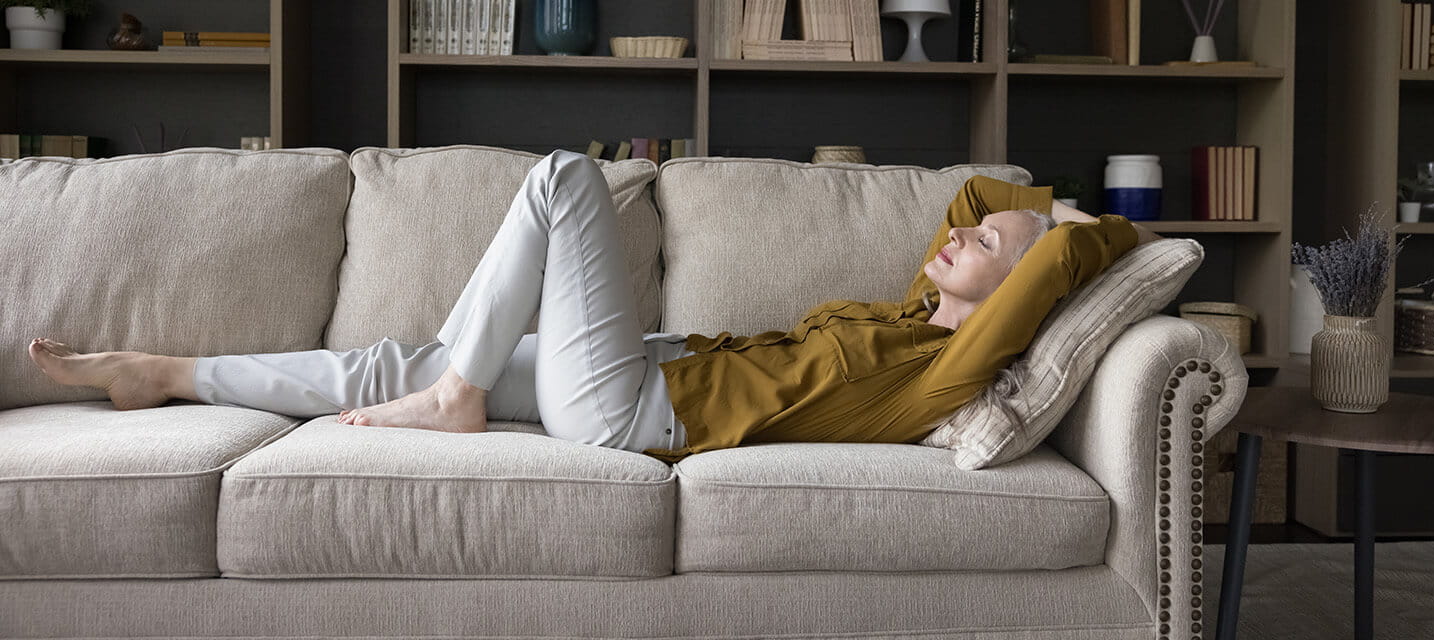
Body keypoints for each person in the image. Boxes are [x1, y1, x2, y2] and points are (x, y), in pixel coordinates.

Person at [26, 150, 1161, 463]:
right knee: (393, 361)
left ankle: (459, 393)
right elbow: (977, 193)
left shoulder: (946, 373)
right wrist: (1015, 221)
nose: (958, 232)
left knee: (563, 178)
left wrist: (1060, 233)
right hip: (645, 369)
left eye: (988, 248)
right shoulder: (920, 314)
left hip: (636, 410)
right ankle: (164, 372)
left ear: (1021, 286)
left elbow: (1079, 247)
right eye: (962, 237)